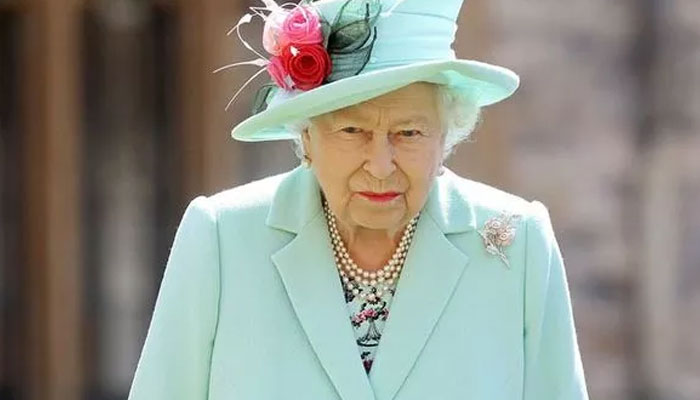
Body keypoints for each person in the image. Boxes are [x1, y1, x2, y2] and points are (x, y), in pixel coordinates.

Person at [128, 0, 589, 399]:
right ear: (306, 135)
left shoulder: (517, 245)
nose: (381, 164)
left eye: (409, 132)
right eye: (353, 131)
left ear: (445, 136)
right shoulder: (222, 240)